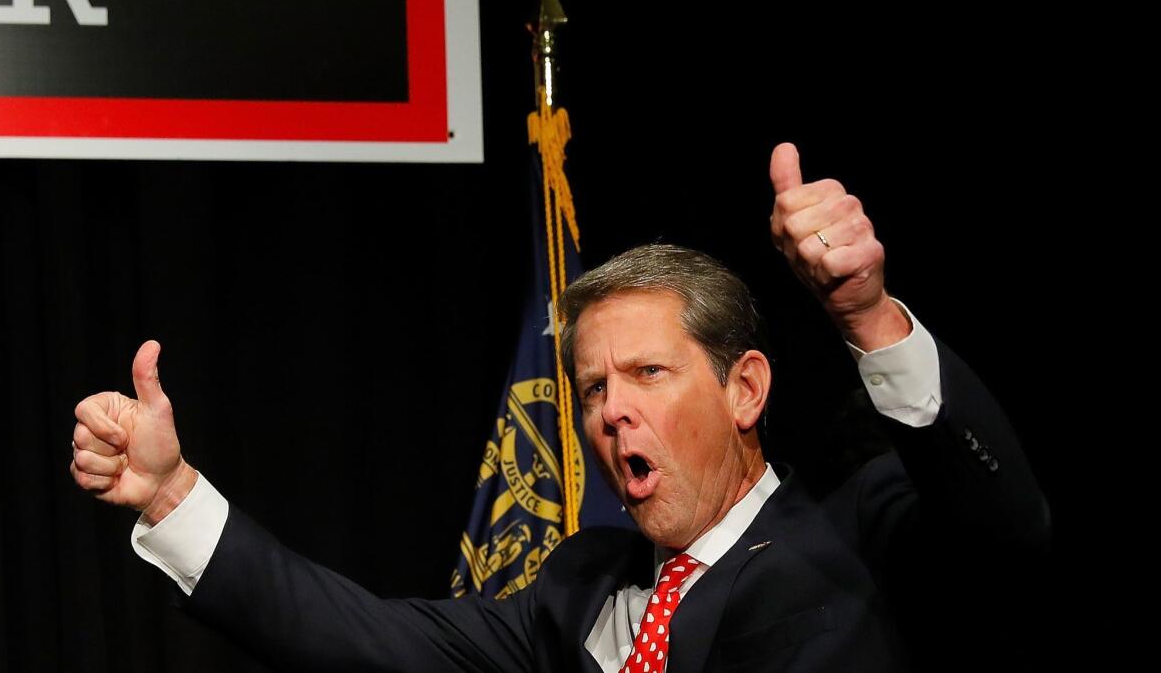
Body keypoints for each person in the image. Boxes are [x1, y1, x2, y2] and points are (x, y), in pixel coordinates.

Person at [70, 143, 1049, 672]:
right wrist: (173, 495)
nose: (611, 411)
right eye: (592, 388)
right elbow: (366, 638)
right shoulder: (581, 586)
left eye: (648, 375)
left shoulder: (861, 532)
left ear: (745, 388)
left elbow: (1004, 526)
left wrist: (866, 313)